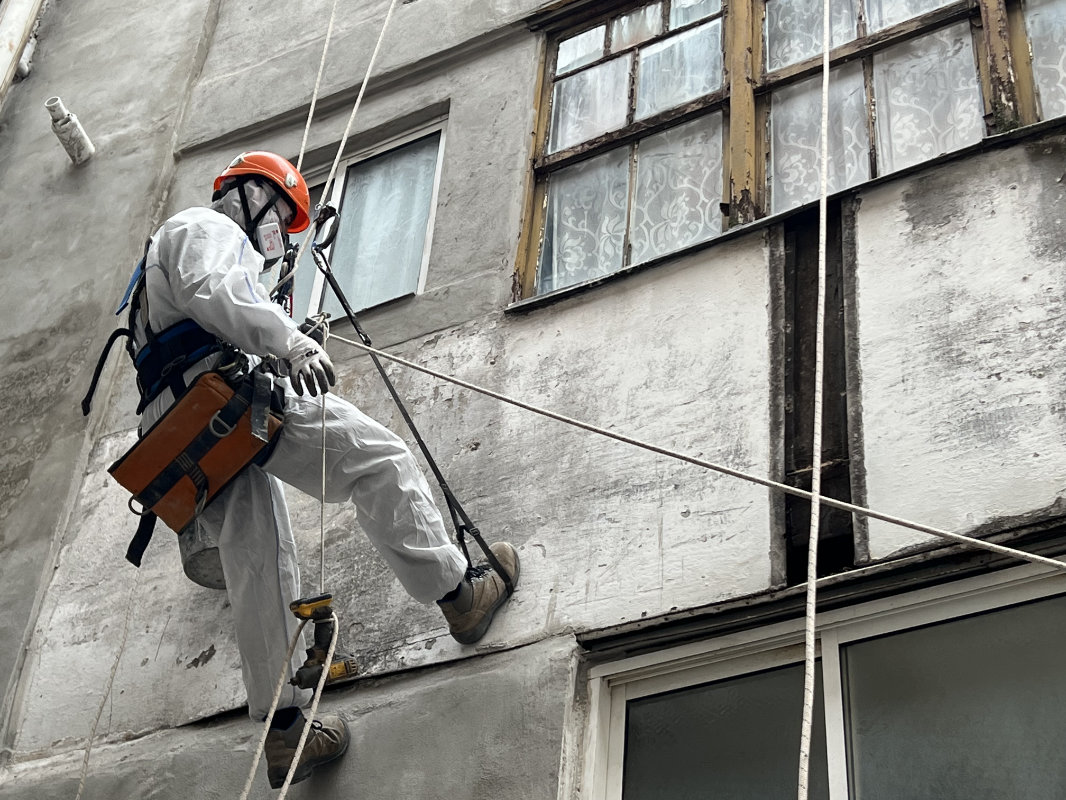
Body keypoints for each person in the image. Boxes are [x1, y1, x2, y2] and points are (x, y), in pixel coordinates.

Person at [131, 151, 519, 789]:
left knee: (259, 562)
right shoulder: (204, 228)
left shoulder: (169, 260)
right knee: (377, 462)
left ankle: (286, 734)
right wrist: (292, 342)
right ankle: (460, 596)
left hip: (182, 431)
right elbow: (217, 291)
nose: (282, 233)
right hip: (227, 400)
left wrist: (282, 334)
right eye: (281, 216)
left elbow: (213, 311)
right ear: (250, 195)